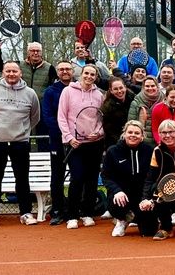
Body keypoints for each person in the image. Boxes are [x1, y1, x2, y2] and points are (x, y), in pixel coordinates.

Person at [0, 61, 41, 228]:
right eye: (8, 71)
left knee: (22, 179)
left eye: (14, 71)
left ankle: (25, 213)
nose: (11, 74)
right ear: (2, 73)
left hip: (20, 143)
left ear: (20, 73)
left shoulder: (30, 93)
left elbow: (35, 117)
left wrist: (22, 131)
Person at [58, 64, 105, 229]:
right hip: (75, 144)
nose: (89, 76)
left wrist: (99, 133)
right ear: (81, 74)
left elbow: (101, 119)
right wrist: (69, 137)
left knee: (92, 180)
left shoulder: (99, 95)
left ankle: (88, 214)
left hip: (94, 144)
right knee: (77, 178)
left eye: (93, 74)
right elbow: (62, 116)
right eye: (87, 73)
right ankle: (72, 215)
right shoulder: (68, 91)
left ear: (95, 77)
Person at [101, 120, 158, 237]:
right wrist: (117, 191)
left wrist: (148, 198)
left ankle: (138, 217)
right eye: (130, 132)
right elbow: (106, 176)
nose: (133, 135)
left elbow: (155, 175)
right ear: (124, 134)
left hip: (143, 195)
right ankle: (122, 220)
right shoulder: (113, 151)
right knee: (118, 200)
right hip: (123, 195)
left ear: (142, 135)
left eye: (137, 133)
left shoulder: (150, 150)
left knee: (149, 232)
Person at [41, 60, 75, 225]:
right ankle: (57, 211)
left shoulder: (78, 89)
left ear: (73, 71)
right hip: (57, 140)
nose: (65, 72)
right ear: (58, 72)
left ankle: (76, 210)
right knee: (57, 177)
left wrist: (74, 135)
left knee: (78, 176)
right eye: (61, 69)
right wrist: (65, 133)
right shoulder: (50, 91)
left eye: (68, 69)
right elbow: (47, 116)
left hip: (77, 142)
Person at [128, 76, 164, 145]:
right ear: (143, 88)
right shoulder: (136, 103)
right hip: (142, 142)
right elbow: (131, 124)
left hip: (161, 141)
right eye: (147, 86)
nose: (150, 88)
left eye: (153, 86)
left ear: (157, 86)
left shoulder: (164, 101)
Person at [101, 77, 135, 149]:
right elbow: (107, 127)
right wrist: (120, 140)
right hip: (115, 139)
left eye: (121, 88)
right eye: (115, 89)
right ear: (111, 90)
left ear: (125, 87)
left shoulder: (132, 97)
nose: (119, 91)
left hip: (132, 135)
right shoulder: (107, 106)